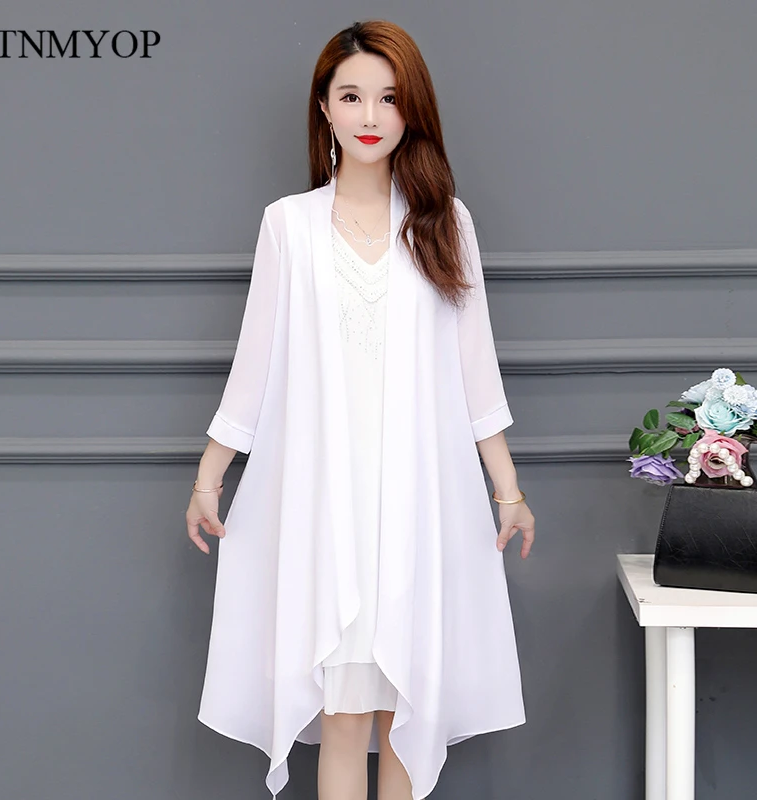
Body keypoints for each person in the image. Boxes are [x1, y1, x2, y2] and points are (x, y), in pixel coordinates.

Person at [185, 19, 535, 800]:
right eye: (351, 96)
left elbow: (476, 370)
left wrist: (507, 491)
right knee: (344, 719)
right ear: (324, 107)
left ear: (413, 109)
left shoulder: (445, 222)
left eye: (388, 97)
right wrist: (211, 476)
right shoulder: (290, 225)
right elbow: (255, 364)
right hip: (326, 509)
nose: (370, 116)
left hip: (418, 507)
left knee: (406, 715)